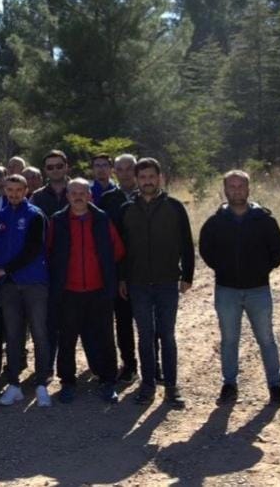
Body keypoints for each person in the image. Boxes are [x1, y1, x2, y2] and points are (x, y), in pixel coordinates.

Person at [199, 170, 280, 406]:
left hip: (258, 289)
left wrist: (261, 270)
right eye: (232, 187)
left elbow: (278, 251)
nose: (237, 190)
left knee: (266, 338)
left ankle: (275, 386)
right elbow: (206, 250)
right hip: (226, 289)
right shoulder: (215, 222)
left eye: (241, 186)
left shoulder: (264, 219)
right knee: (229, 339)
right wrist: (223, 269)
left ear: (248, 189)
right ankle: (229, 384)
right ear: (225, 190)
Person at [119, 158, 195, 408]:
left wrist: (187, 275)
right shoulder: (127, 208)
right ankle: (148, 385)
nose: (147, 181)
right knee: (145, 335)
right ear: (137, 180)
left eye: (152, 176)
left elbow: (186, 241)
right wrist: (122, 278)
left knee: (167, 334)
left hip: (167, 281)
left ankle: (171, 387)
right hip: (138, 282)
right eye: (143, 177)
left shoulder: (174, 207)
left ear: (160, 178)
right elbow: (122, 248)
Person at [48, 179, 126, 404]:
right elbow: (49, 252)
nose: (78, 196)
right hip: (68, 291)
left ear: (90, 195)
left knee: (104, 337)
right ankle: (67, 382)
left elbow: (118, 251)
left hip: (99, 290)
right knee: (67, 339)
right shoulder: (58, 220)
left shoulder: (102, 219)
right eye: (73, 192)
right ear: (67, 196)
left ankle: (108, 380)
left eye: (83, 192)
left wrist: (115, 279)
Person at [0, 175, 51, 408]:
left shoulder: (35, 215)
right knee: (13, 336)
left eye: (18, 189)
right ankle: (14, 384)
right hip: (9, 287)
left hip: (34, 283)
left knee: (39, 333)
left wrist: (5, 269)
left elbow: (33, 250)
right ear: (4, 190)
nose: (14, 194)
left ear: (26, 190)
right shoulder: (0, 217)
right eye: (10, 190)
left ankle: (42, 383)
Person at [98, 153, 140, 382]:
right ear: (115, 171)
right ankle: (129, 364)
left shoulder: (147, 196)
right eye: (120, 169)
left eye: (129, 168)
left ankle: (155, 365)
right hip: (117, 269)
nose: (125, 173)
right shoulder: (107, 200)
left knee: (148, 322)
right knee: (123, 321)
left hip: (145, 267)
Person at [31, 150, 70, 216]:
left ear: (66, 167)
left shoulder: (80, 191)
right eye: (50, 167)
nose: (55, 170)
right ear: (45, 170)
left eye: (59, 166)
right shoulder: (36, 197)